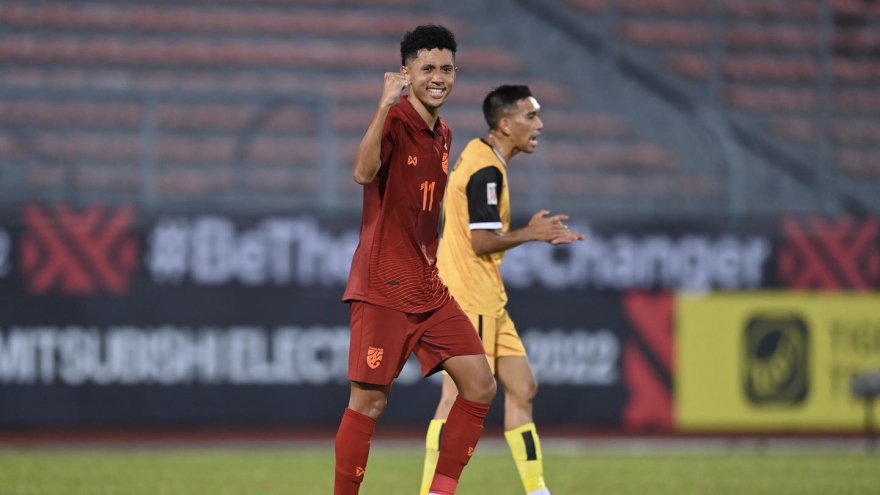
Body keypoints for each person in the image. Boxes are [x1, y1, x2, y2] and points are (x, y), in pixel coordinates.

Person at [335, 24, 497, 495]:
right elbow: (362, 172)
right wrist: (384, 103)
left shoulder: (443, 133)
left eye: (446, 68)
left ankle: (440, 492)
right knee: (368, 405)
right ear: (406, 72)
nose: (438, 77)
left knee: (480, 385)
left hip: (428, 288)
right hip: (383, 287)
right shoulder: (395, 120)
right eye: (427, 68)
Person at [418, 85, 585, 495]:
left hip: (488, 297)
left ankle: (537, 490)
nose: (539, 125)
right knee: (456, 398)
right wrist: (532, 233)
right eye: (531, 117)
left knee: (522, 387)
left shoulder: (481, 156)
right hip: (467, 296)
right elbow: (481, 241)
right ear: (505, 124)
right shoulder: (486, 171)